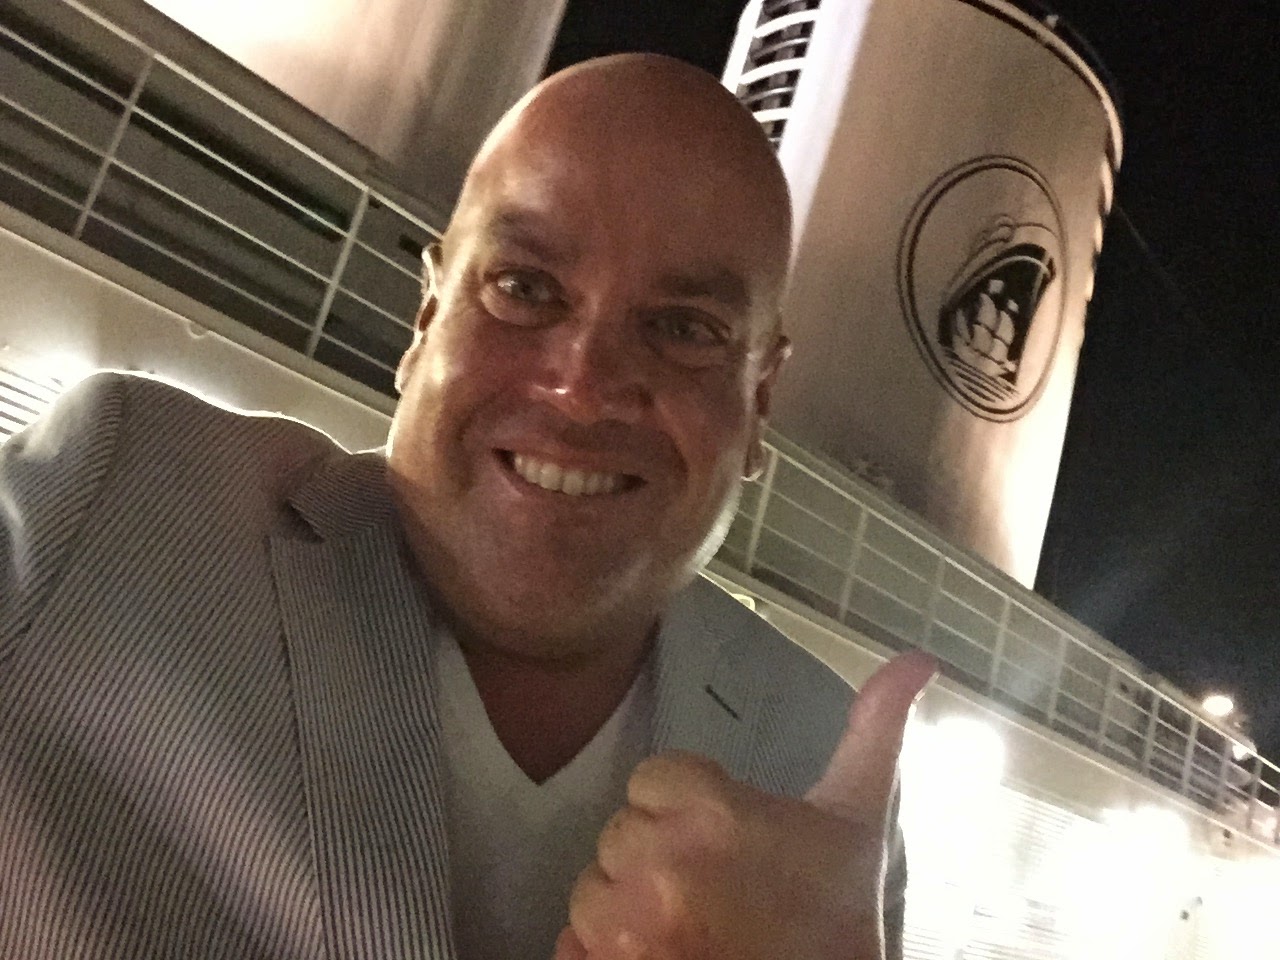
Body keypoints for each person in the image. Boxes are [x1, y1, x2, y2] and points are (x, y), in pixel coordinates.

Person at [0, 53, 935, 960]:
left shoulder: (826, 772)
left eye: (685, 330)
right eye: (525, 290)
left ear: (759, 400)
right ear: (425, 320)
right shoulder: (114, 494)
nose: (585, 386)